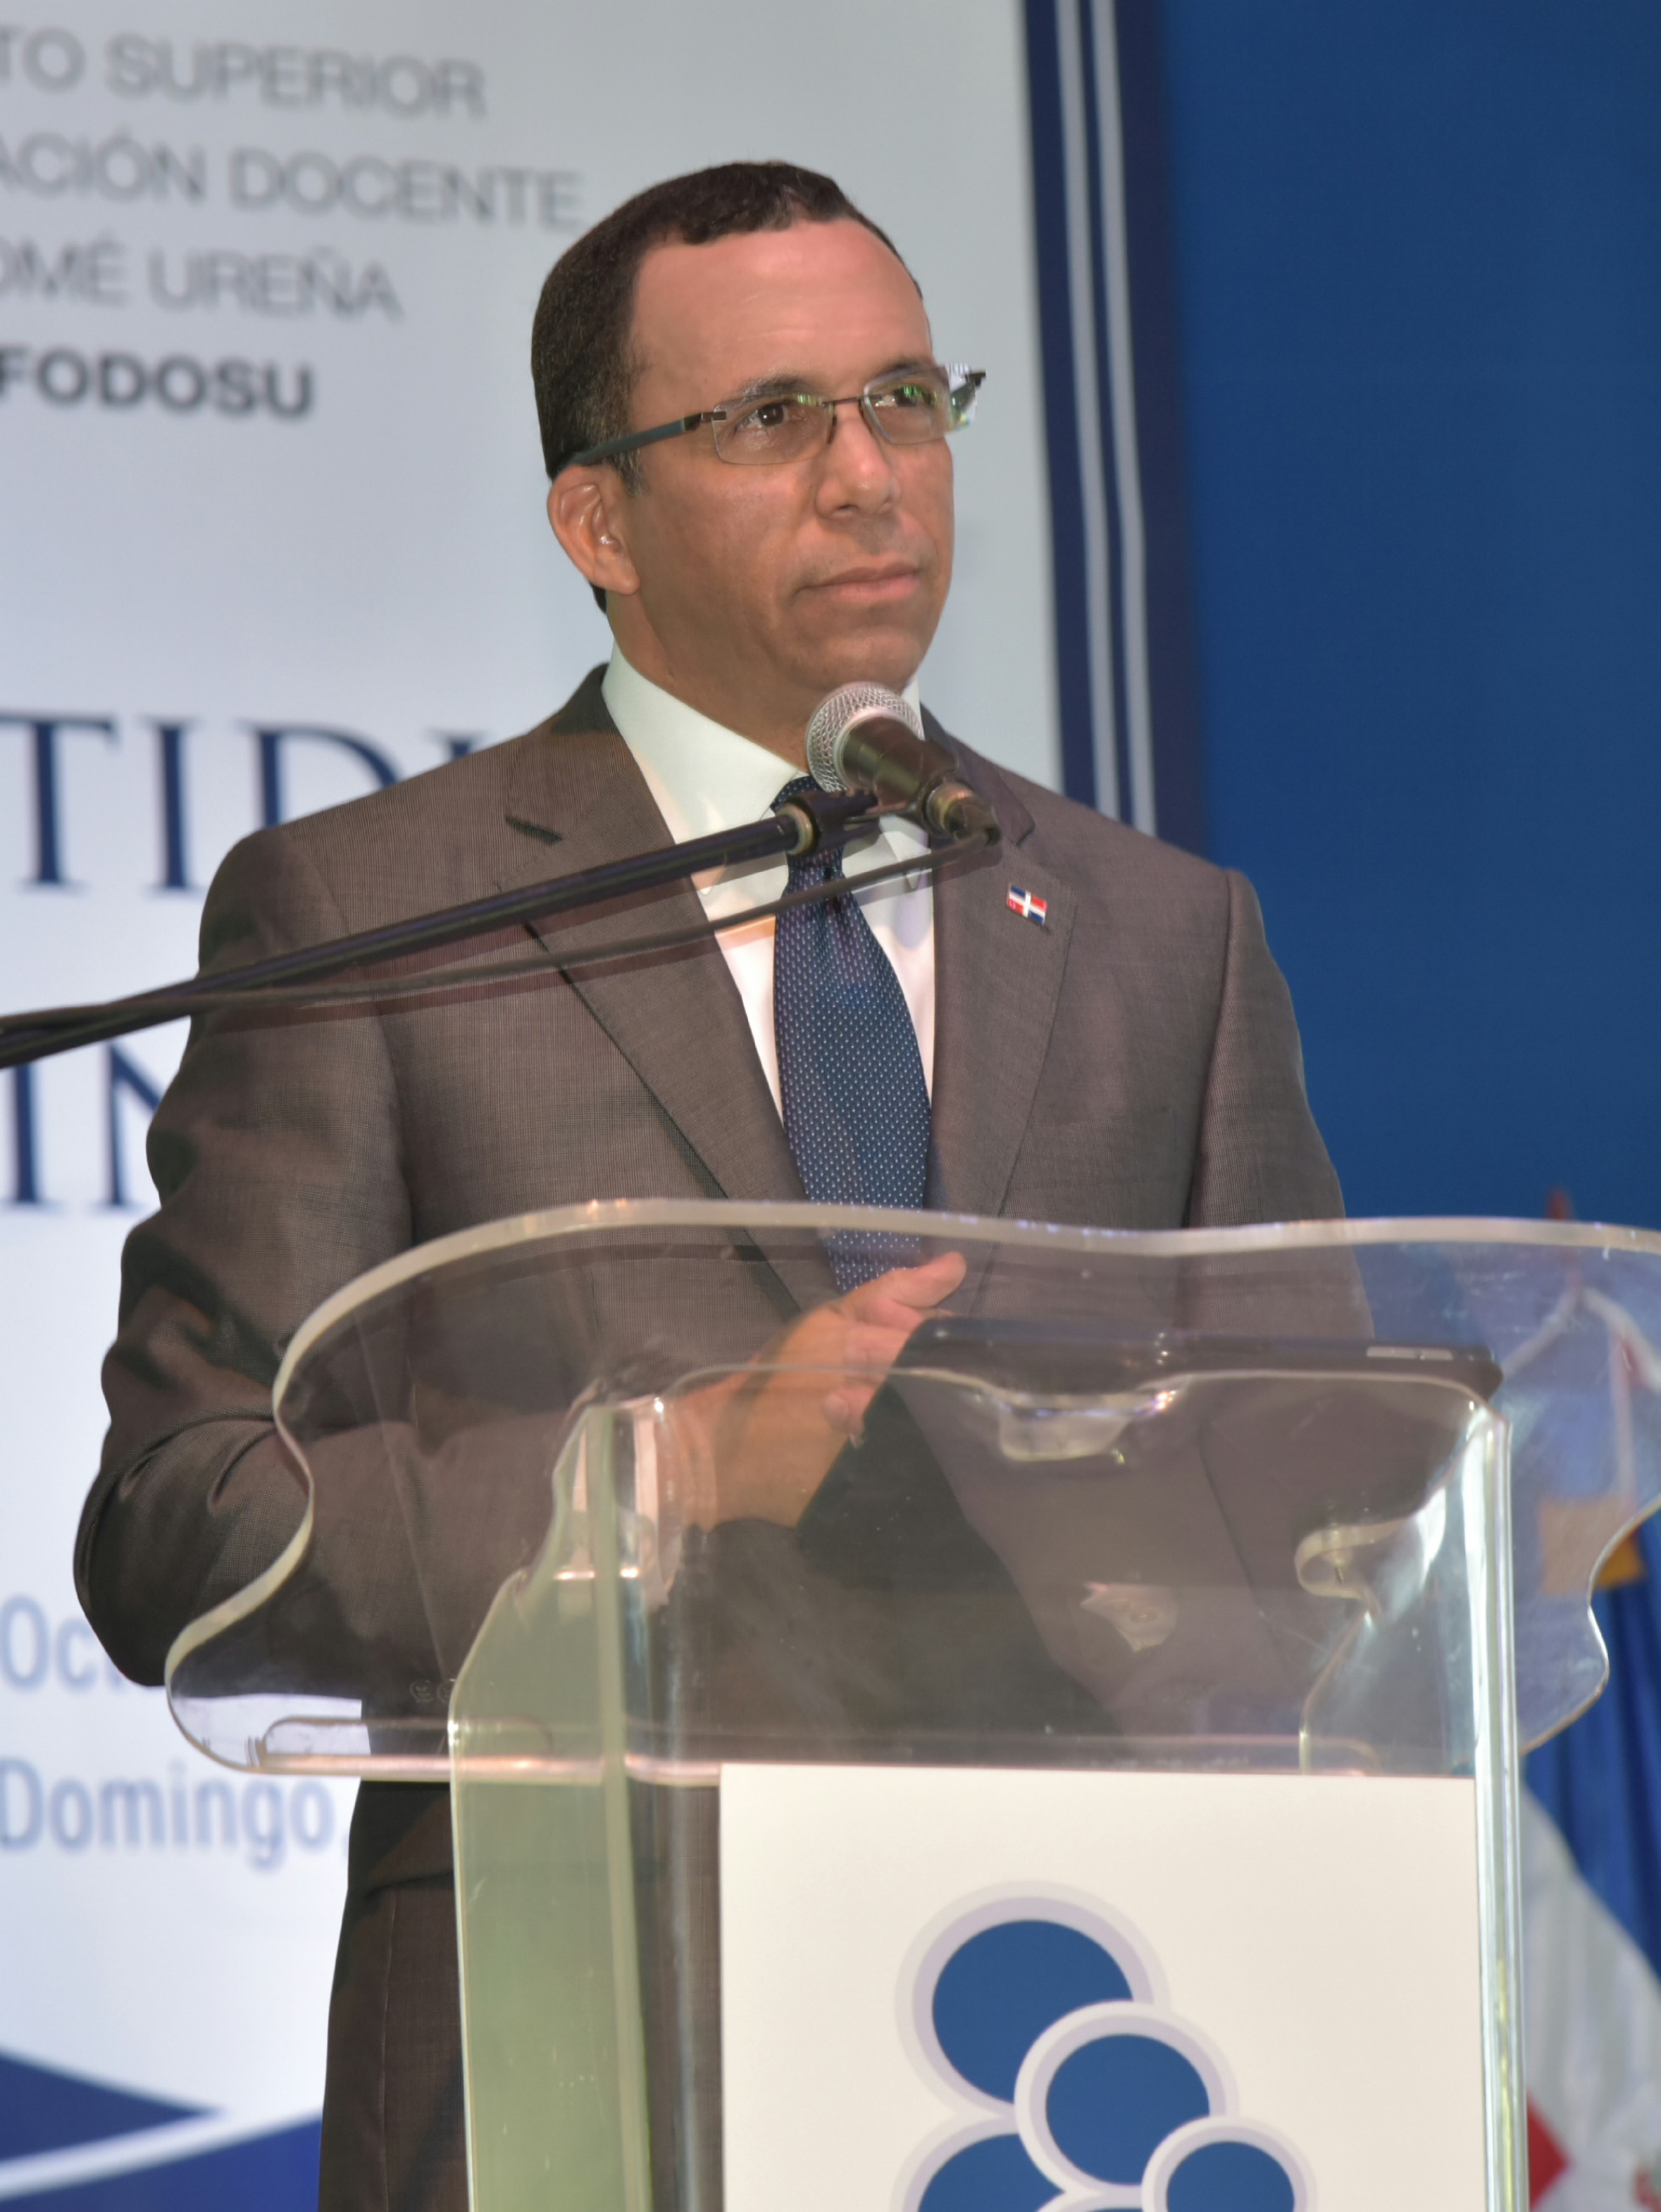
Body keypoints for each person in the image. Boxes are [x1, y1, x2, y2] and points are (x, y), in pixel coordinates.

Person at [76, 161, 1341, 2212]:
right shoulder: (375, 915)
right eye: (772, 421)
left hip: (1086, 2035)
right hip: (568, 2061)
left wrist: (1444, 1511)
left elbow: (1314, 1491)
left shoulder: (1156, 929)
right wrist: (649, 1482)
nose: (868, 477)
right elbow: (176, 1528)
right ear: (598, 519)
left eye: (906, 401)